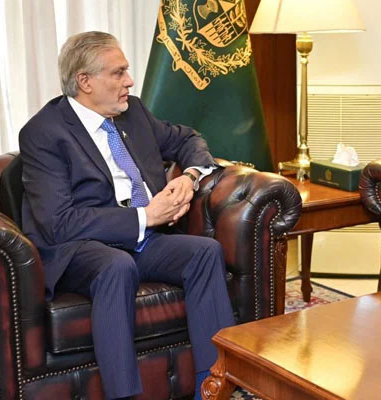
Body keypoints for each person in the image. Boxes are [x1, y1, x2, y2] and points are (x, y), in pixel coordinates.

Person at [19, 31, 235, 400]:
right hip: (80, 248)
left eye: (127, 71)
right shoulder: (44, 133)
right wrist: (146, 216)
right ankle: (124, 395)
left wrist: (190, 176)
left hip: (143, 240)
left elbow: (188, 139)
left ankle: (214, 385)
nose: (130, 81)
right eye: (118, 73)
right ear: (85, 81)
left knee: (204, 252)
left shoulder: (132, 112)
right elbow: (59, 223)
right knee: (116, 266)